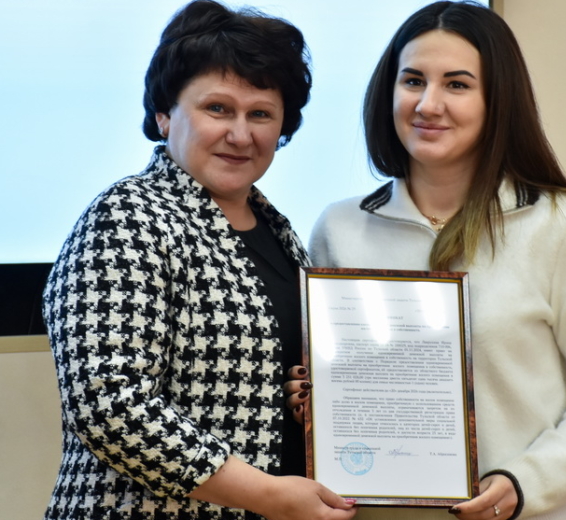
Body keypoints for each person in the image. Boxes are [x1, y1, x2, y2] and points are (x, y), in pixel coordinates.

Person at [299, 2, 566, 519]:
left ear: (498, 100)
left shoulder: (561, 226)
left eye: (457, 85)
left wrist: (524, 484)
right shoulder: (339, 229)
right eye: (413, 81)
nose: (428, 104)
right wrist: (311, 397)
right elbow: (339, 387)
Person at [41, 1, 357, 519]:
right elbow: (109, 406)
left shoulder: (281, 235)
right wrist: (268, 495)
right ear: (164, 114)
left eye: (261, 114)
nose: (241, 134)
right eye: (217, 109)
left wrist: (303, 397)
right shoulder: (127, 216)